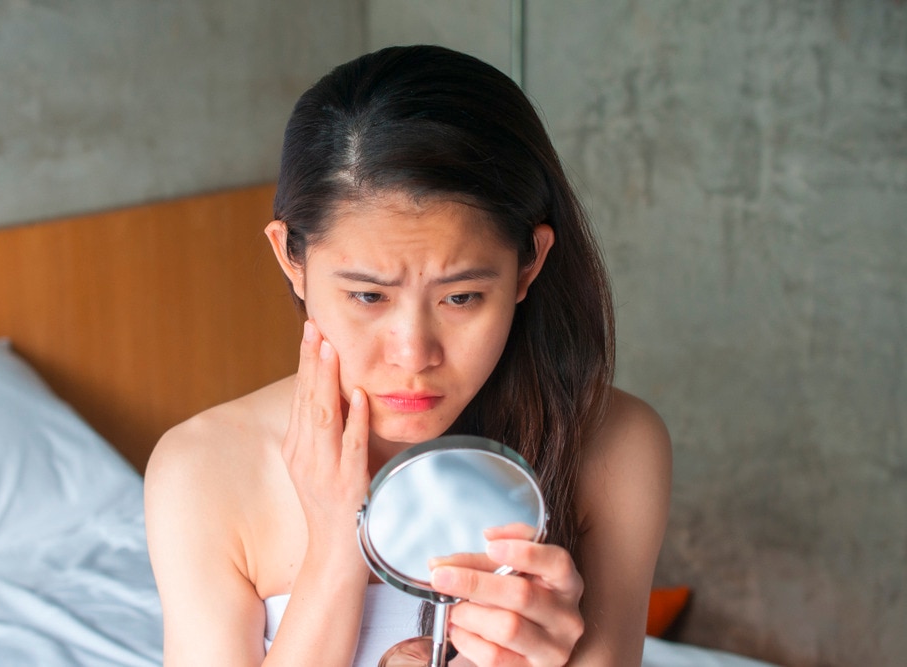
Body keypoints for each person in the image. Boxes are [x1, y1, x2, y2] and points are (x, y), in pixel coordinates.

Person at [144, 44, 671, 667]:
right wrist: (336, 545)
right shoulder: (203, 471)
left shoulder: (614, 445)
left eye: (463, 296)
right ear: (293, 259)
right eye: (368, 294)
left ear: (529, 265)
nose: (414, 354)